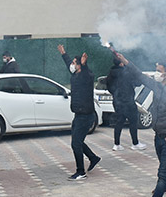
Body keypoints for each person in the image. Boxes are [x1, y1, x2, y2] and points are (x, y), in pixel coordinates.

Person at [115, 54, 166, 197]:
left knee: (162, 174)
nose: (156, 73)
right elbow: (140, 75)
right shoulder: (158, 86)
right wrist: (126, 62)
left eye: (159, 70)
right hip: (159, 137)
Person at [57, 44, 100, 180]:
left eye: (75, 63)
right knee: (78, 141)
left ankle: (80, 172)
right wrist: (64, 54)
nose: (72, 65)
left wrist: (85, 65)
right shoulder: (76, 74)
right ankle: (93, 158)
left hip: (86, 116)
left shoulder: (87, 76)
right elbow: (69, 64)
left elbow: (87, 73)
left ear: (81, 65)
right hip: (78, 114)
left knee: (76, 143)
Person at [106, 57, 146, 151]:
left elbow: (109, 87)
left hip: (117, 101)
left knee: (119, 122)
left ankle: (116, 144)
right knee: (133, 122)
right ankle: (135, 143)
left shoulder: (110, 74)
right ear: (121, 64)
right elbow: (138, 83)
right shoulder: (126, 73)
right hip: (128, 101)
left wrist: (116, 95)